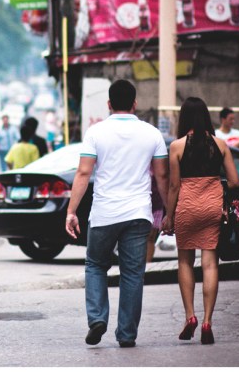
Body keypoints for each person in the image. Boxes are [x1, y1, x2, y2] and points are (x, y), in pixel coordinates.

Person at [65, 80, 169, 348]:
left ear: (109, 104)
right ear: (135, 103)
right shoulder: (152, 134)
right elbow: (162, 176)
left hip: (104, 213)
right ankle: (127, 334)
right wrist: (170, 211)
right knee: (133, 274)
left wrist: (72, 211)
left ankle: (97, 318)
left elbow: (84, 172)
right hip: (138, 214)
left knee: (95, 265)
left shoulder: (96, 132)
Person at [161, 97, 239, 345]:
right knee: (210, 265)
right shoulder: (220, 144)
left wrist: (169, 216)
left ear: (184, 118)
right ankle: (207, 322)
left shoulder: (177, 146)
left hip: (186, 207)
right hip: (212, 207)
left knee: (185, 261)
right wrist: (215, 187)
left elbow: (174, 186)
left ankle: (190, 317)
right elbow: (235, 181)